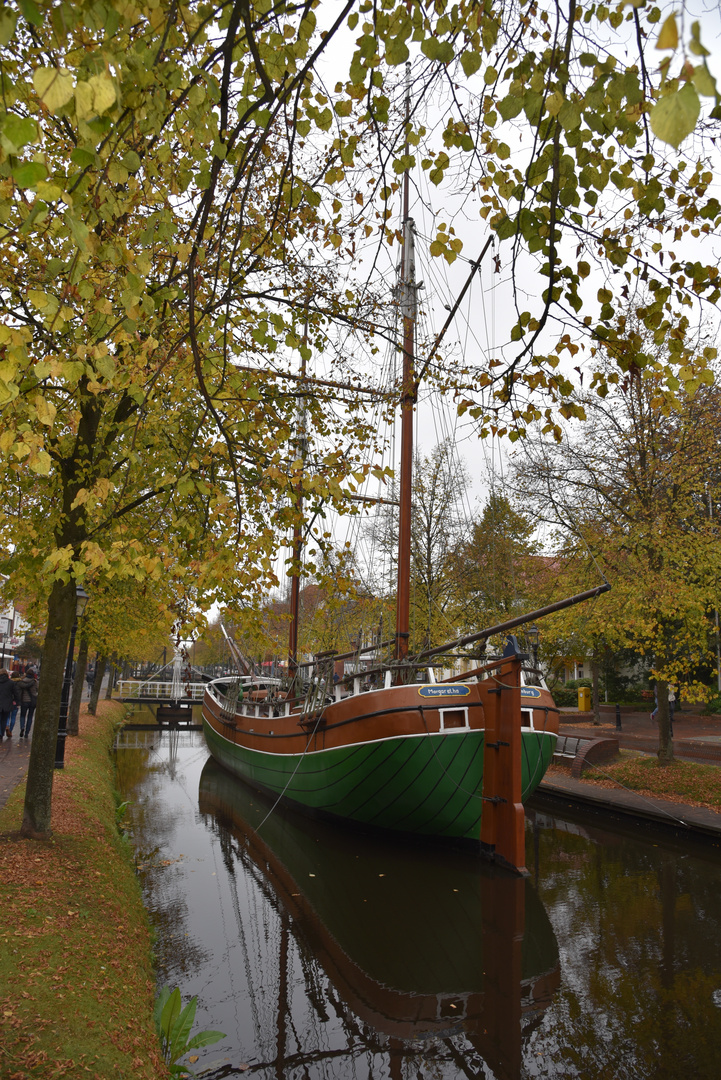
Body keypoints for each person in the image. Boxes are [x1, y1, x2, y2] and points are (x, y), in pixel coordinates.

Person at [0, 668, 21, 739]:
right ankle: (1, 733)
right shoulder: (11, 683)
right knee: (4, 720)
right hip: (7, 704)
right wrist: (17, 702)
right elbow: (16, 694)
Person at [18, 669, 38, 739]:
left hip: (24, 700)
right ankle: (27, 733)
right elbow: (37, 690)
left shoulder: (22, 681)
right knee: (30, 717)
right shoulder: (35, 682)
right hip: (32, 701)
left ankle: (22, 727)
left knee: (22, 716)